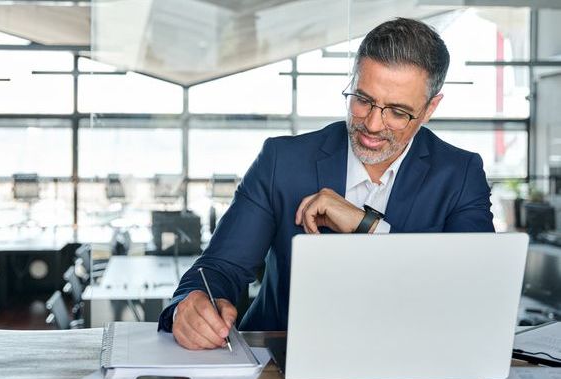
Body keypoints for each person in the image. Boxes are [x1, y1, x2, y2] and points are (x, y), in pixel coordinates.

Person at [158, 18, 495, 350]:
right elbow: (220, 267)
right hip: (278, 362)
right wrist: (188, 307)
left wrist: (367, 227)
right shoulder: (282, 161)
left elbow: (473, 293)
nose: (374, 125)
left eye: (397, 111)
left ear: (430, 108)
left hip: (409, 361)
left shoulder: (460, 174)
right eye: (363, 99)